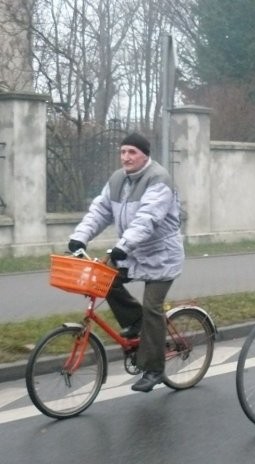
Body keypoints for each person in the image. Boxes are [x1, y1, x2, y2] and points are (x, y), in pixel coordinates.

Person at [68, 132, 184, 393]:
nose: (126, 157)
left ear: (145, 155)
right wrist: (79, 237)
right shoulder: (117, 180)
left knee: (152, 307)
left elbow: (148, 218)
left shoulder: (158, 179)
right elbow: (99, 211)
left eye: (132, 152)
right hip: (131, 252)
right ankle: (136, 322)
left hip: (161, 255)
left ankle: (154, 369)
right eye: (123, 152)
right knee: (103, 279)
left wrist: (123, 245)